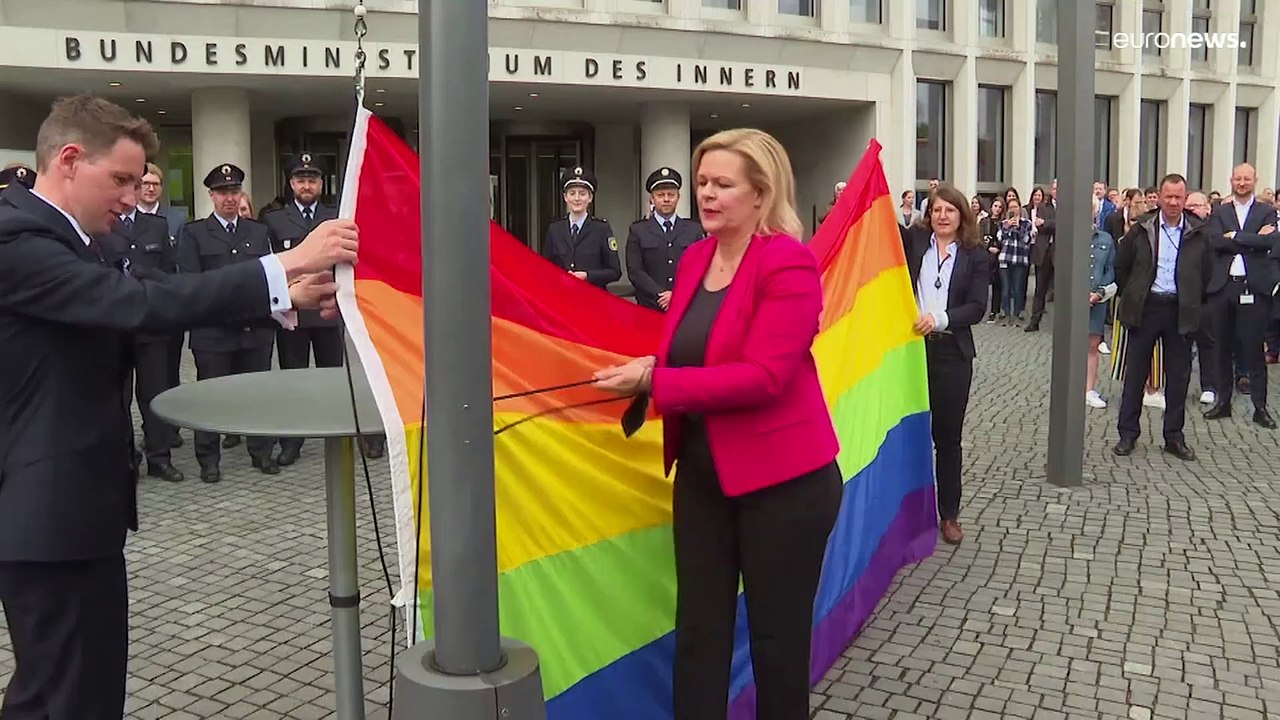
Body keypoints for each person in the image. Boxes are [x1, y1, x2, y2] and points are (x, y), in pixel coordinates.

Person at [0, 94, 358, 720]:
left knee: (85, 691)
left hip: (76, 510)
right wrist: (286, 262)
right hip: (46, 516)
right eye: (120, 180)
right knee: (60, 698)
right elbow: (136, 306)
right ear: (69, 159)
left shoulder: (74, 237)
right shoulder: (16, 239)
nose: (131, 196)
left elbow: (159, 288)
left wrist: (286, 296)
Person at [592, 128, 842, 720]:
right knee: (700, 633)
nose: (706, 193)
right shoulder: (696, 258)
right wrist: (654, 363)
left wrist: (656, 383)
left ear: (761, 193)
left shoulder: (788, 262)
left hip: (783, 486)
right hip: (704, 477)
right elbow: (694, 347)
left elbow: (763, 376)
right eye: (702, 182)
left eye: (722, 184)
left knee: (777, 644)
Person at [902, 184, 989, 545]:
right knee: (911, 434)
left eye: (949, 210)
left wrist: (939, 319)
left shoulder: (975, 255)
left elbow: (977, 307)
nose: (942, 216)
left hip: (952, 353)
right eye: (936, 209)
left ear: (960, 215)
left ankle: (949, 514)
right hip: (912, 352)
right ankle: (909, 513)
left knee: (948, 439)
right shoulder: (914, 243)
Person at [1112, 173, 1211, 461]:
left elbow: (1207, 272)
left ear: (1185, 198)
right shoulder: (1142, 228)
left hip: (1180, 309)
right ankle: (1128, 434)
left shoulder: (1198, 231)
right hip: (1147, 307)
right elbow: (1122, 266)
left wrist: (1194, 299)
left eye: (1178, 197)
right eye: (1168, 196)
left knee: (1178, 377)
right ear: (1160, 197)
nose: (1173, 202)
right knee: (1135, 374)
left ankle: (1174, 437)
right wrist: (1133, 293)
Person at [1202, 163, 1278, 428]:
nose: (1242, 183)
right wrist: (1251, 240)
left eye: (1246, 179)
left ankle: (1260, 407)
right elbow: (1215, 242)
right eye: (1238, 179)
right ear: (1231, 181)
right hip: (1223, 287)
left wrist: (1234, 236)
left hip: (1253, 287)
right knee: (1221, 347)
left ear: (1255, 180)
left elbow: (1269, 242)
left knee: (1253, 348)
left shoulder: (1267, 211)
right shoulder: (1220, 211)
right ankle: (1223, 402)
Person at [625, 166, 704, 311]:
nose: (666, 199)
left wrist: (678, 295)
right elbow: (635, 271)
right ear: (652, 199)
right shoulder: (638, 230)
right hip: (650, 306)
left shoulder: (694, 230)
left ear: (678, 197)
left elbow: (700, 268)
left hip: (685, 307)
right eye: (661, 195)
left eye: (671, 195)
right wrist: (661, 295)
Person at [541, 166, 621, 290]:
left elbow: (615, 272)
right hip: (561, 296)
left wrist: (587, 276)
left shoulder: (601, 229)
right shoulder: (555, 229)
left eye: (582, 194)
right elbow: (545, 268)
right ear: (565, 197)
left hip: (592, 296)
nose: (577, 198)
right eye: (572, 193)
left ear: (590, 198)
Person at [1085, 195, 1118, 409]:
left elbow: (1110, 270)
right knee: (1072, 344)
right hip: (1073, 300)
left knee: (1092, 345)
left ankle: (1088, 389)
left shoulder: (1105, 239)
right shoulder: (1068, 237)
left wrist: (1097, 293)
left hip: (1097, 299)